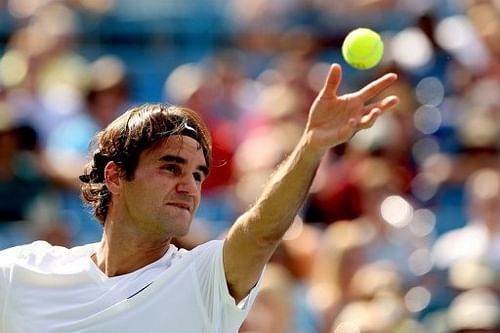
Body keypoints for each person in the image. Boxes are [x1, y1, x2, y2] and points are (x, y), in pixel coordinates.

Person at [0, 63, 399, 332]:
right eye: (170, 168)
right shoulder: (21, 273)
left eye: (198, 174)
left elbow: (260, 232)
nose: (190, 186)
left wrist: (311, 146)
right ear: (116, 176)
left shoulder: (203, 280)